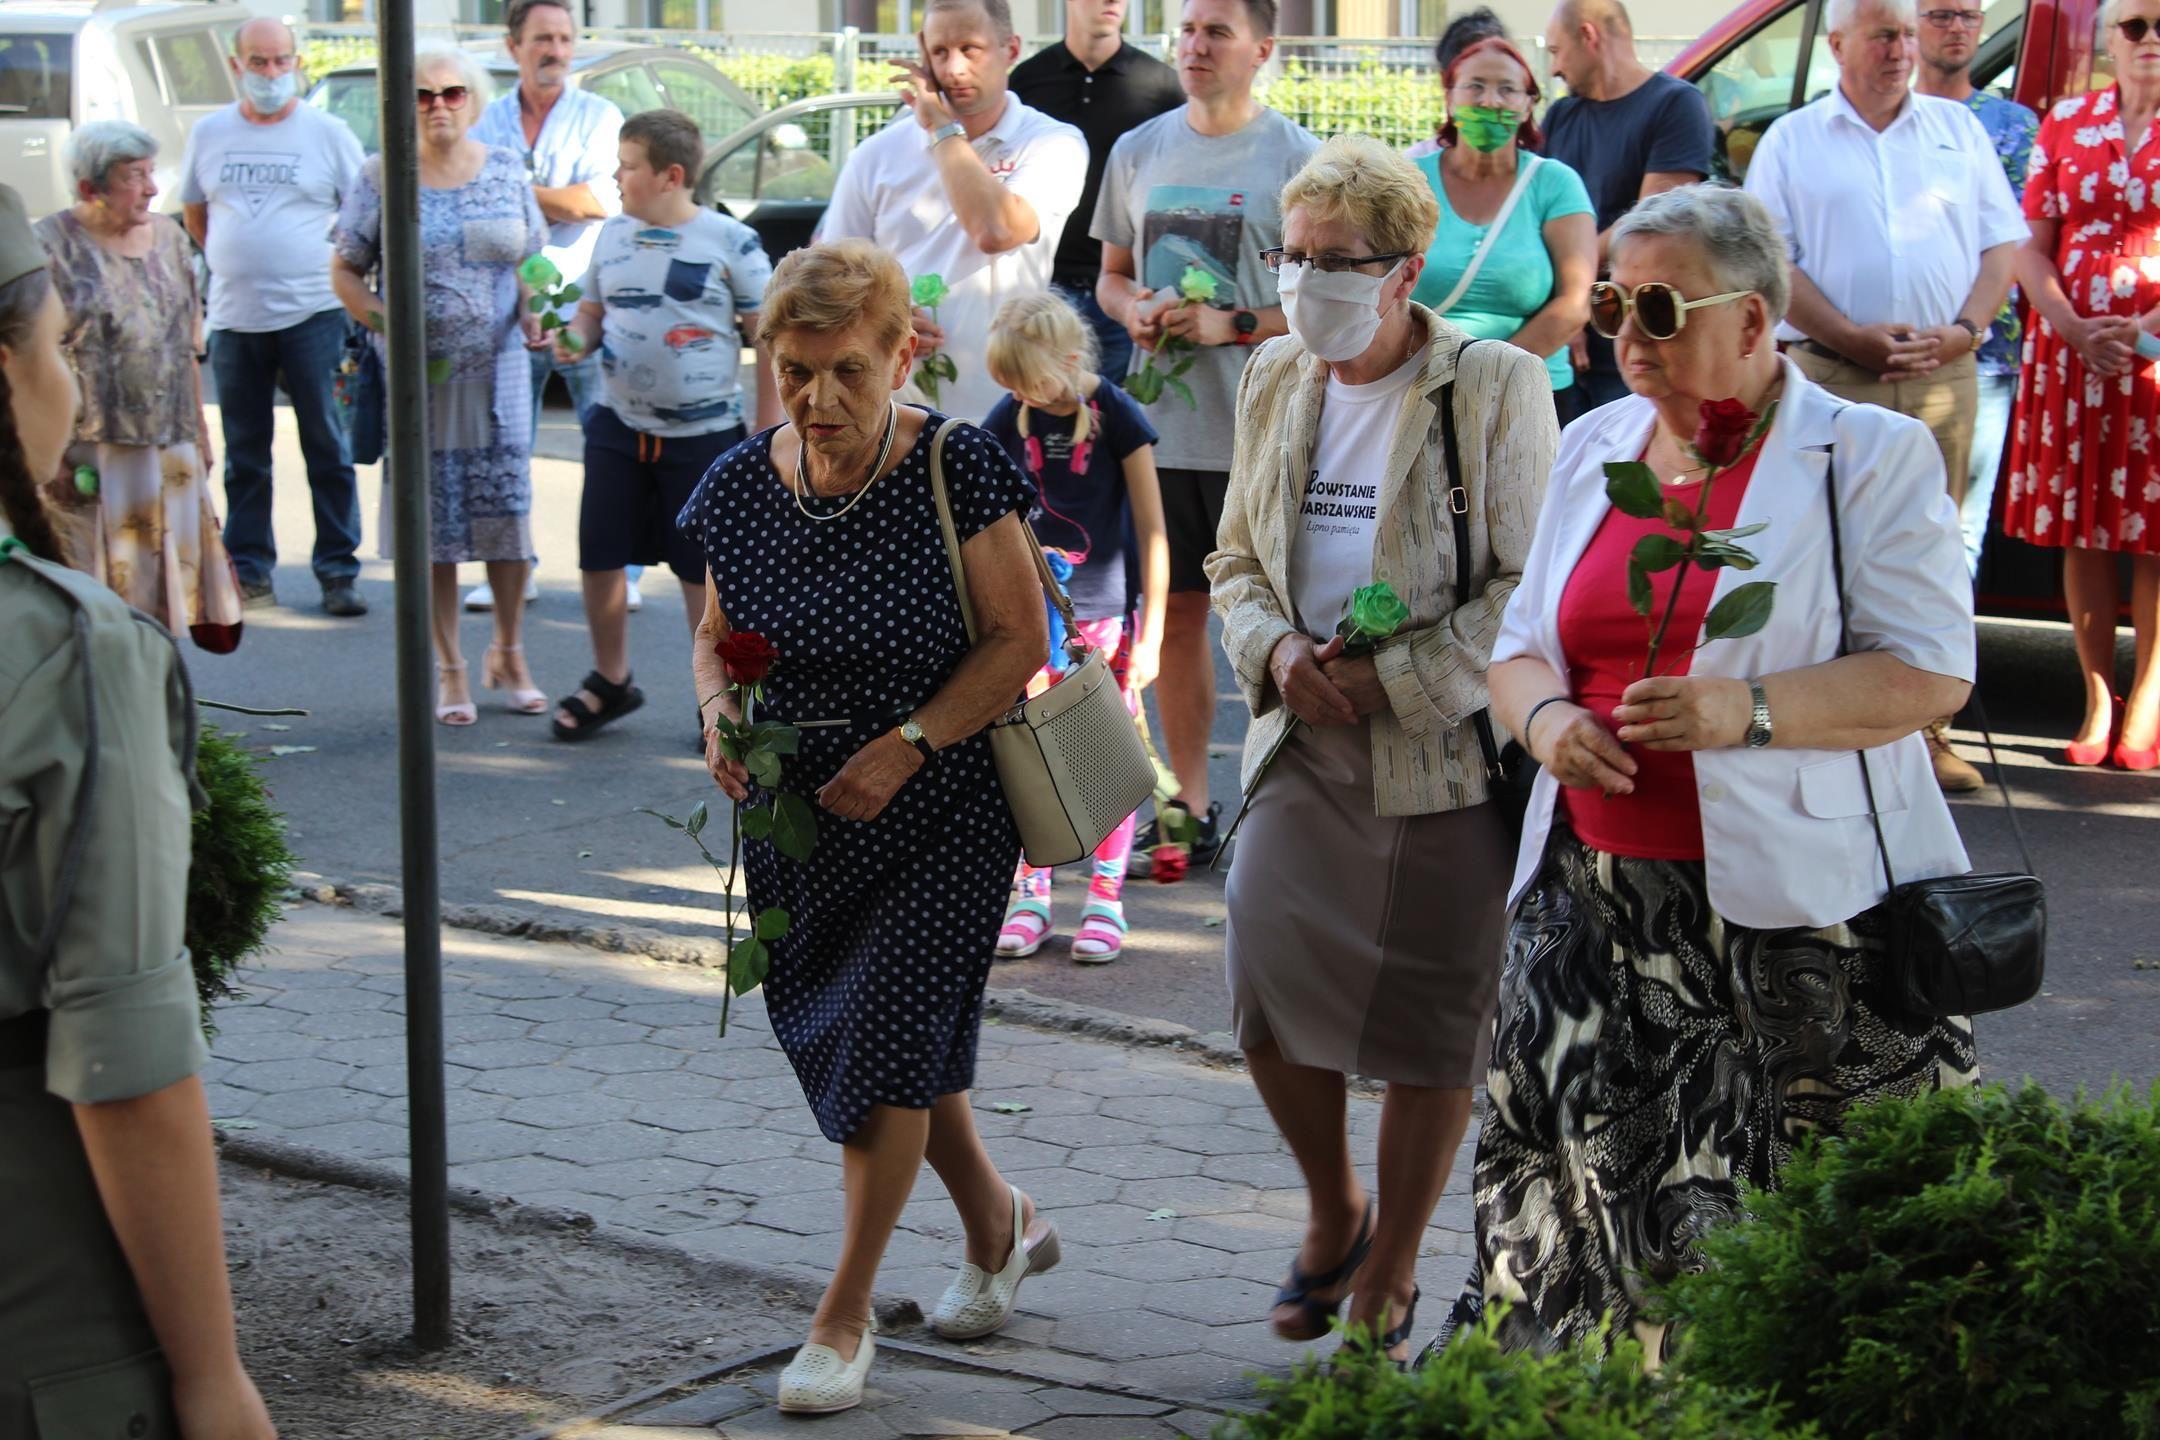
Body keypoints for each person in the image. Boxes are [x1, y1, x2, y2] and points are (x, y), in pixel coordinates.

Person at [1443, 185, 1979, 1360]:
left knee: (1791, 1250)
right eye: (1618, 312)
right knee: (1572, 1220)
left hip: (1796, 929)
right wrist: (1544, 727)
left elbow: (1934, 673)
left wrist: (1748, 708)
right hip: (1592, 915)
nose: (1628, 340)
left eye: (1660, 309)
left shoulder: (1866, 455)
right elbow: (1522, 643)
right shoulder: (1594, 445)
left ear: (1755, 320)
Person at [677, 239, 1057, 1415]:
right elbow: (713, 638)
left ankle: (841, 1318)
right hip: (799, 811)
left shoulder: (959, 466)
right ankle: (1001, 1227)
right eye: (795, 371)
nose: (819, 399)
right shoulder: (743, 484)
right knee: (873, 1045)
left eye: (847, 370)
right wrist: (719, 717)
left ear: (906, 353)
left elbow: (1019, 641)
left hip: (941, 802)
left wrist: (908, 747)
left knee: (886, 1034)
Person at [1209, 135, 1555, 1366]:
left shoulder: (1496, 383)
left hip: (1442, 758)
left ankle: (1393, 1268)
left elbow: (1526, 586)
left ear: (1405, 271)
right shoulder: (1273, 375)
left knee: (1432, 1019)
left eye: (1335, 261)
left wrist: (1395, 676)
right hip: (1302, 738)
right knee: (1261, 987)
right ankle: (1332, 1206)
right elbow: (1234, 560)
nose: (1307, 284)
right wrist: (1280, 655)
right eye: (1292, 258)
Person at [0, 182, 279, 1440]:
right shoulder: (69, 651)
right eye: (62, 345)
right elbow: (127, 1067)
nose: (71, 373)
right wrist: (214, 1378)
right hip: (43, 1298)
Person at [1744, 0, 2024, 794]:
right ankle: (1825, 724)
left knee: (1931, 554)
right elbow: (1773, 265)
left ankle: (1926, 734)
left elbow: (2000, 245)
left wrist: (1967, 331)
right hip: (1831, 373)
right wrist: (1848, 335)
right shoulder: (1792, 139)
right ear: (1837, 46)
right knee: (1819, 547)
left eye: (1907, 34)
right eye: (1885, 34)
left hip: (1943, 374)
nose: (1903, 49)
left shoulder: (1956, 129)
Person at [1093, 0, 1320, 867]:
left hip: (1262, 436)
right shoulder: (1139, 150)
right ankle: (1188, 807)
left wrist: (1238, 324)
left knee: (1278, 630)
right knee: (1178, 619)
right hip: (1164, 434)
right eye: (1187, 29)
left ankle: (1283, 808)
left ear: (1262, 49)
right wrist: (1136, 308)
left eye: (1216, 30)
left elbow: (1322, 302)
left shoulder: (1297, 158)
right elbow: (1109, 279)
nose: (1193, 45)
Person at [331, 49, 552, 726]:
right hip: (420, 385)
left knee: (507, 523)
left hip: (501, 375)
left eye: (452, 93)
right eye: (422, 96)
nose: (438, 106)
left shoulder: (507, 168)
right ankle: (451, 668)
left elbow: (534, 259)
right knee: (435, 532)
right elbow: (345, 271)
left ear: (473, 100)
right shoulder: (381, 177)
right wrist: (389, 327)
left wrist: (539, 308)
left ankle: (509, 652)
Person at [548, 110, 778, 745]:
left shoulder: (730, 242)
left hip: (703, 440)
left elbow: (768, 339)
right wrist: (573, 339)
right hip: (618, 427)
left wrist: (766, 433)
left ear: (670, 175)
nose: (616, 178)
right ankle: (610, 678)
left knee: (700, 573)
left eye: (627, 165)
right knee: (598, 556)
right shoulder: (612, 236)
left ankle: (716, 700)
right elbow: (592, 313)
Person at [983, 290, 1168, 963]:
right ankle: (1031, 896)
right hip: (1029, 621)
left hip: (1104, 619)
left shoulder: (1117, 413)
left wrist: (1150, 636)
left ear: (1068, 358)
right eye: (1010, 386)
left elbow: (1152, 528)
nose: (1020, 395)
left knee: (1102, 759)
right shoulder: (1012, 414)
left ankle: (1105, 899)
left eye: (1028, 381)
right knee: (1030, 757)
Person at [2005, 0, 2160, 771]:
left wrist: (2147, 332)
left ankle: (2150, 707)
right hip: (2072, 354)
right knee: (2083, 528)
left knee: (2156, 537)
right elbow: (2029, 244)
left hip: (2156, 355)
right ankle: (2099, 700)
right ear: (2107, 41)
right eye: (2135, 25)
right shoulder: (2067, 120)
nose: (2151, 39)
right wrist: (2068, 325)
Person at [816, 0, 1086, 425]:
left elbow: (996, 230)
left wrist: (943, 129)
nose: (955, 68)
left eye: (970, 48)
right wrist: (880, 315)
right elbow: (828, 273)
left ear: (1011, 50)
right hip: (894, 409)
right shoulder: (876, 155)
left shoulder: (1054, 142)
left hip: (1012, 404)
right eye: (940, 52)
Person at [181, 17, 369, 617]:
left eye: (280, 61)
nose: (269, 73)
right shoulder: (210, 133)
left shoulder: (327, 133)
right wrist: (238, 259)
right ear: (237, 66)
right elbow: (196, 213)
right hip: (236, 318)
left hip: (311, 312)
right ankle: (251, 570)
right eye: (257, 62)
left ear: (296, 63)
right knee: (245, 453)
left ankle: (338, 570)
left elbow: (359, 215)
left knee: (326, 445)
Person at [34, 121, 246, 653]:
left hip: (167, 442)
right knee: (93, 594)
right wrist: (51, 456)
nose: (152, 189)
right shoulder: (50, 246)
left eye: (151, 173)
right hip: (89, 449)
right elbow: (30, 359)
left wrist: (199, 432)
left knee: (167, 590)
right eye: (135, 177)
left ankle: (155, 702)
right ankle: (99, 712)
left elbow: (184, 344)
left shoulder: (171, 239)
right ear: (90, 187)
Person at [466, 0, 623, 614]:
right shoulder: (487, 119)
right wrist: (552, 198)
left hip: (585, 301)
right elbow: (474, 203)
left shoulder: (598, 116)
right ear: (514, 48)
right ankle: (512, 568)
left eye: (564, 38)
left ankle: (620, 569)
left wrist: (513, 193)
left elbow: (599, 202)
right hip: (505, 307)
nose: (555, 50)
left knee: (606, 444)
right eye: (541, 39)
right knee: (504, 448)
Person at [1408, 38, 1597, 425]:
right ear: (1449, 97)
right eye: (1475, 86)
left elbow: (1574, 304)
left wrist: (1482, 375)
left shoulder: (1556, 184)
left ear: (1528, 104)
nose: (1490, 101)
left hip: (1528, 394)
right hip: (1418, 390)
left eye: (1507, 89)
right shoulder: (1409, 181)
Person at [1911, 0, 2037, 578]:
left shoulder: (2012, 125)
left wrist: (1966, 328)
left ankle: (1947, 668)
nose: (1957, 28)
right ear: (1911, 22)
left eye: (1968, 16)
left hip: (1981, 356)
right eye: (1941, 15)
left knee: (1958, 529)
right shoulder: (1884, 117)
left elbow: (2014, 239)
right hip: (1874, 351)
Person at [1541, 0, 1714, 409]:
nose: (1553, 69)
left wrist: (1574, 298)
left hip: (1633, 329)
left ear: (1588, 35)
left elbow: (1652, 222)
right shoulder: (1561, 115)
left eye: (1555, 51)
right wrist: (1566, 309)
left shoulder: (1676, 105)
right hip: (1561, 332)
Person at [1010, 0, 1186, 381]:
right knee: (1040, 430)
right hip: (1042, 290)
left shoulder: (1163, 86)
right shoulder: (1025, 81)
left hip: (1126, 295)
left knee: (1120, 432)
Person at [1405, 5, 1508, 159]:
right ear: (1446, 84)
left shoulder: (1536, 172)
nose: (1491, 101)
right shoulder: (1415, 167)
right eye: (1476, 86)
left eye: (1505, 86)